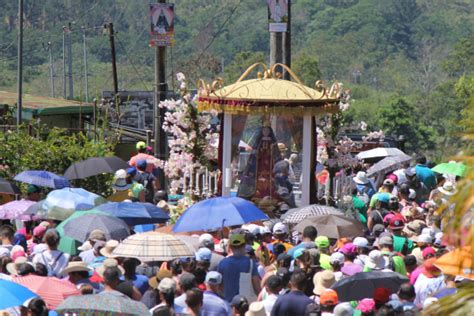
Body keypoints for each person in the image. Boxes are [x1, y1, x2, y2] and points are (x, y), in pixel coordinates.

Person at [218, 234, 261, 302]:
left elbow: (220, 286)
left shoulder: (222, 263)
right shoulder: (250, 263)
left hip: (229, 303)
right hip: (245, 303)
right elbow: (257, 287)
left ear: (230, 247)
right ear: (244, 245)